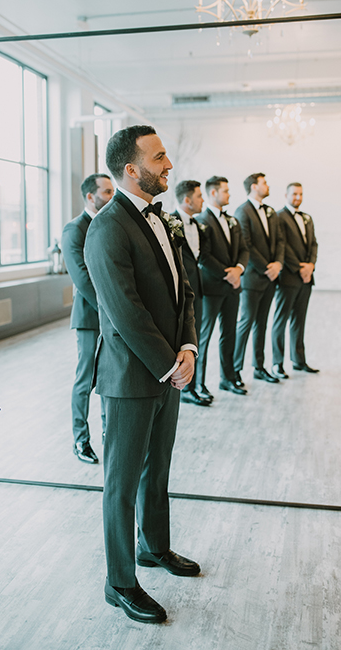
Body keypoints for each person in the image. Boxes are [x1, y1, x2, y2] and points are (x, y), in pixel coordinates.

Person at [85, 125, 200, 625]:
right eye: (159, 157)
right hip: (134, 378)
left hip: (170, 368)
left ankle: (154, 548)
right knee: (122, 481)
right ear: (131, 169)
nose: (169, 164)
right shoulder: (106, 228)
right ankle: (120, 581)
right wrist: (169, 365)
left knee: (159, 470)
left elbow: (185, 290)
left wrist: (190, 346)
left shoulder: (166, 220)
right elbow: (124, 311)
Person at [61, 174, 114, 463]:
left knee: (109, 377)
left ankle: (110, 434)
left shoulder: (111, 224)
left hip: (113, 316)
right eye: (107, 191)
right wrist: (112, 309)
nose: (112, 194)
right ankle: (80, 439)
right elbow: (82, 278)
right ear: (91, 197)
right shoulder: (74, 229)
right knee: (85, 379)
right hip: (90, 316)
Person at [195, 176, 249, 397]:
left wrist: (239, 269)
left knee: (229, 333)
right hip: (211, 288)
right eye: (225, 191)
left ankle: (227, 378)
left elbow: (244, 249)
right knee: (204, 337)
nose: (229, 195)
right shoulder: (201, 220)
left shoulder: (232, 219)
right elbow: (203, 256)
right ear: (213, 193)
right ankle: (198, 384)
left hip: (233, 286)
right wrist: (227, 274)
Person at [233, 173, 284, 385]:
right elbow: (246, 245)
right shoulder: (242, 211)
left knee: (262, 324)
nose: (268, 185)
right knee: (245, 323)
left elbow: (280, 240)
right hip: (253, 279)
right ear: (254, 186)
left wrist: (278, 264)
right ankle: (234, 370)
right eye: (264, 182)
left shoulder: (271, 212)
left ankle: (259, 367)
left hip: (271, 279)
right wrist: (267, 268)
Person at [270, 182, 319, 378]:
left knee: (300, 321)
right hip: (288, 277)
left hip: (307, 278)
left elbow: (314, 244)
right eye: (294, 194)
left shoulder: (307, 217)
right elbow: (283, 247)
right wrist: (299, 267)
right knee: (280, 321)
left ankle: (299, 361)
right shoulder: (279, 217)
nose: (298, 197)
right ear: (286, 195)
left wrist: (311, 265)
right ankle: (277, 363)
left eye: (300, 194)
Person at [173, 180, 211, 406]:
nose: (203, 200)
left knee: (196, 341)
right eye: (199, 196)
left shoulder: (199, 225)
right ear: (187, 200)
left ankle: (195, 386)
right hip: (178, 294)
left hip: (199, 291)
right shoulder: (167, 222)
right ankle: (183, 388)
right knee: (182, 342)